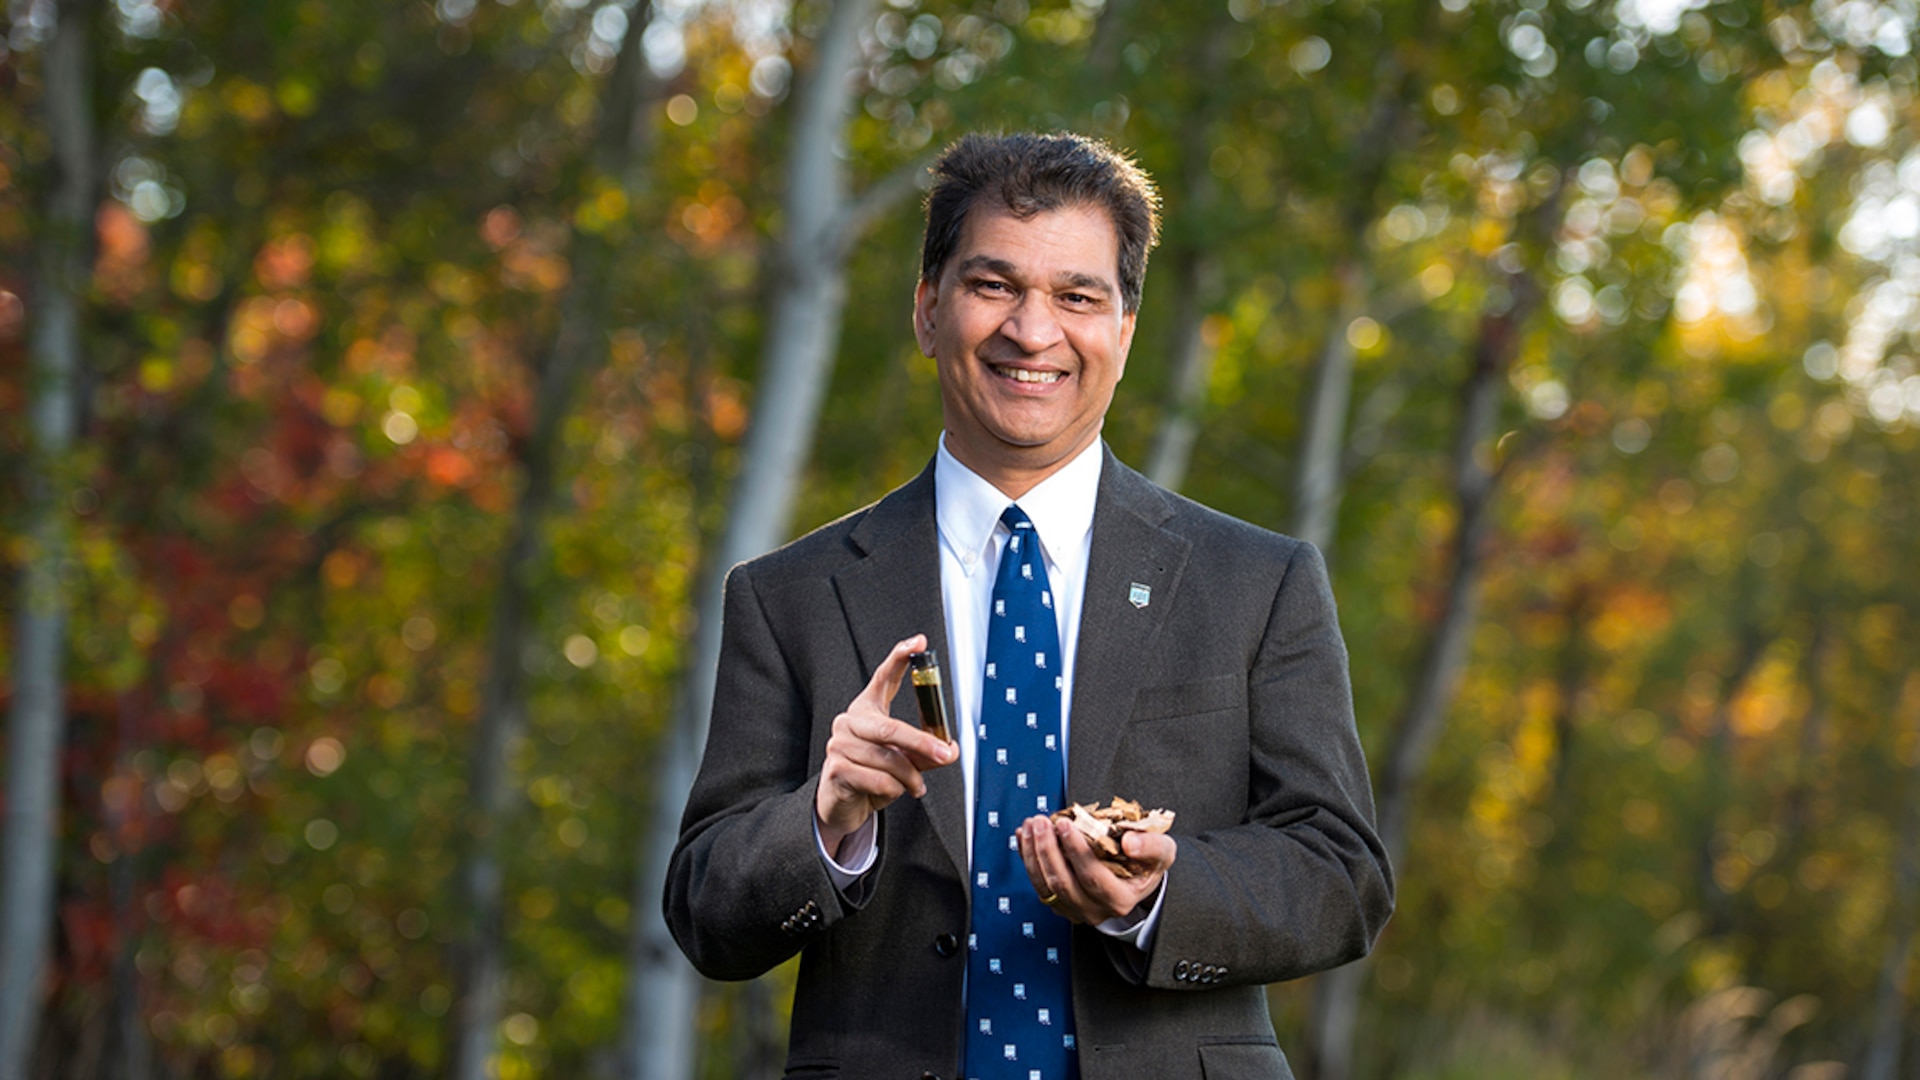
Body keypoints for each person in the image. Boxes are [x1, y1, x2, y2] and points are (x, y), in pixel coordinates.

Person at [664, 131, 1392, 1080]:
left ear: (1123, 332)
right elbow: (705, 913)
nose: (1033, 331)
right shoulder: (788, 595)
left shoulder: (1256, 583)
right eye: (993, 285)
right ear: (928, 309)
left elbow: (1343, 875)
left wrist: (1158, 898)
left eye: (1077, 296)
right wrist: (826, 821)